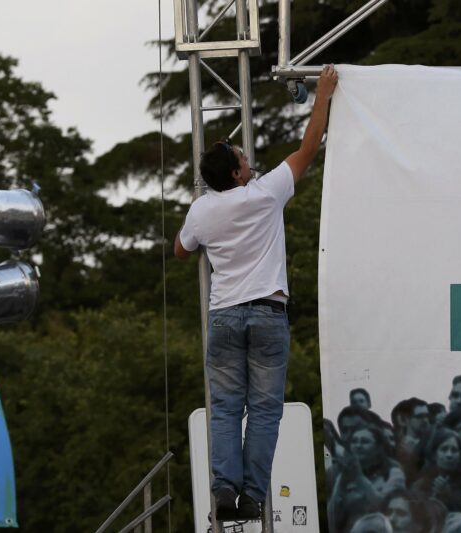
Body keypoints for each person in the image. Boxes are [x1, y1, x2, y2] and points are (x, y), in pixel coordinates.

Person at [175, 64, 339, 520]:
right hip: (268, 312)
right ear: (236, 173)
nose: (249, 160)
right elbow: (309, 148)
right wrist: (322, 95)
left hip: (225, 315)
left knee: (226, 409)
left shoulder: (202, 210)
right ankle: (252, 496)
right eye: (242, 158)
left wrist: (202, 226)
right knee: (265, 411)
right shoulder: (266, 193)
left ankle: (224, 492)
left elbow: (181, 251)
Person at [410, 428, 461, 522]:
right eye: (444, 449)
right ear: (434, 455)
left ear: (460, 455)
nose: (449, 455)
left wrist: (449, 496)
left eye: (454, 450)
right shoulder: (421, 485)